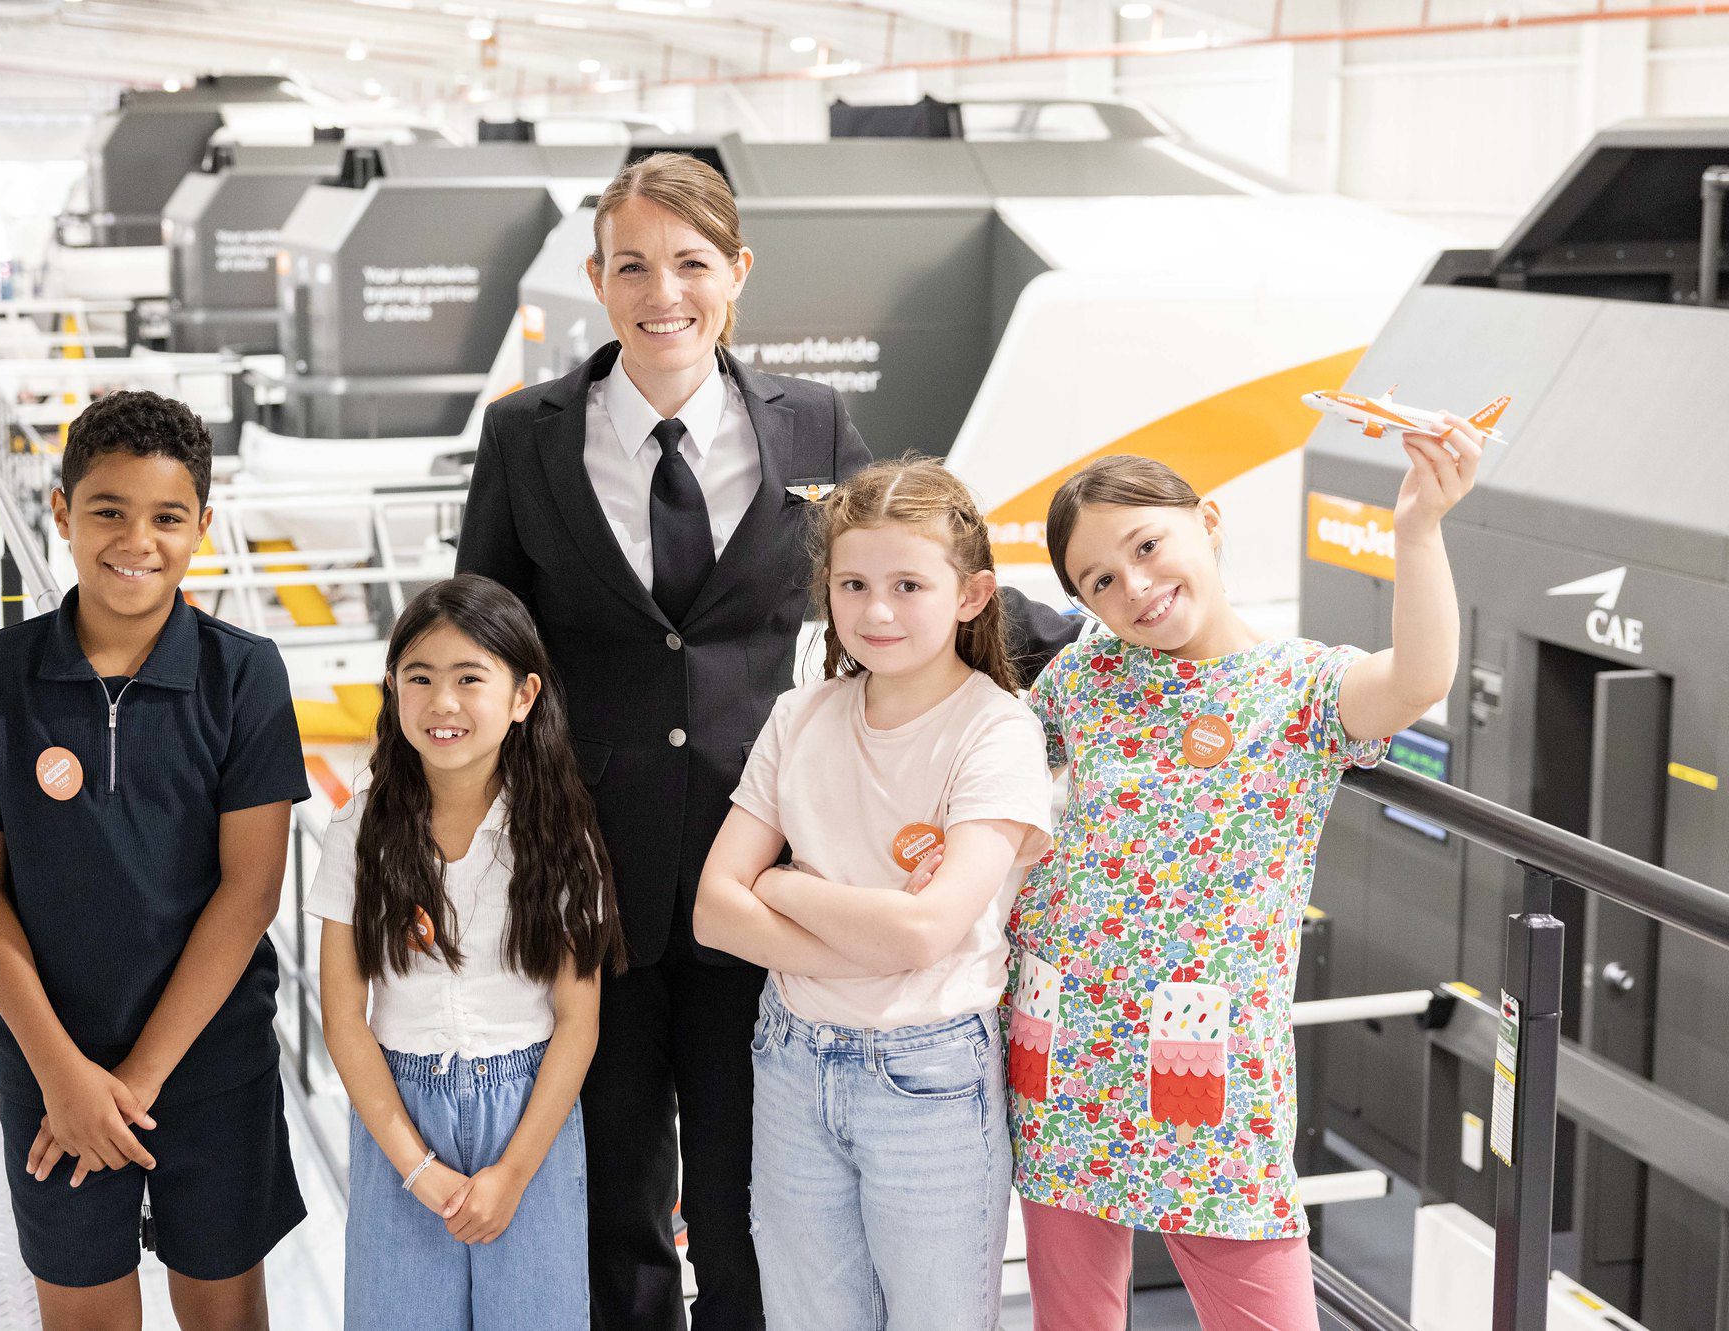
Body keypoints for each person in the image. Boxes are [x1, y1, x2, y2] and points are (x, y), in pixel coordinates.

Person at [455, 150, 1081, 1331]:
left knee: (749, 1199)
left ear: (736, 271)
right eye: (631, 265)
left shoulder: (809, 421)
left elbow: (907, 554)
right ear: (595, 277)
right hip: (588, 867)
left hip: (764, 866)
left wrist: (1094, 643)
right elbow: (479, 637)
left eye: (690, 263)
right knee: (612, 1192)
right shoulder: (525, 434)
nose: (662, 293)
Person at [1006, 424, 1482, 1330]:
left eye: (1147, 545)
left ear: (1209, 522)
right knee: (1072, 1319)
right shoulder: (1086, 673)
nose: (1133, 585)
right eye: (1098, 580)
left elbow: (1418, 679)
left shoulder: (1301, 687)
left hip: (1209, 1073)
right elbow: (993, 770)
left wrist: (1418, 530)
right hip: (1063, 1050)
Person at [0, 390, 310, 1331]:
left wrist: (132, 1085)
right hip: (50, 1064)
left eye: (168, 517)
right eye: (108, 510)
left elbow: (250, 891)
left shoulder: (243, 674)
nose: (137, 540)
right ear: (61, 512)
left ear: (202, 527)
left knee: (225, 1312)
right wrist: (62, 1074)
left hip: (211, 1061)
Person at [692, 458, 1055, 1330]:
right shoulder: (801, 715)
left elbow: (926, 932)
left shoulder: (997, 730)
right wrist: (875, 932)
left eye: (908, 585)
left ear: (971, 595)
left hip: (930, 1072)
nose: (876, 611)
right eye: (853, 584)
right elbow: (713, 910)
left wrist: (781, 884)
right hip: (791, 1057)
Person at [307, 573, 625, 1331]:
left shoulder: (559, 837)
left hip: (529, 1113)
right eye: (419, 677)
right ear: (392, 689)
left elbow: (577, 1021)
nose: (442, 702)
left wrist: (512, 1173)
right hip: (400, 1112)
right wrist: (416, 1167)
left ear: (523, 695)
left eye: (469, 678)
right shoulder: (358, 833)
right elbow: (344, 1017)